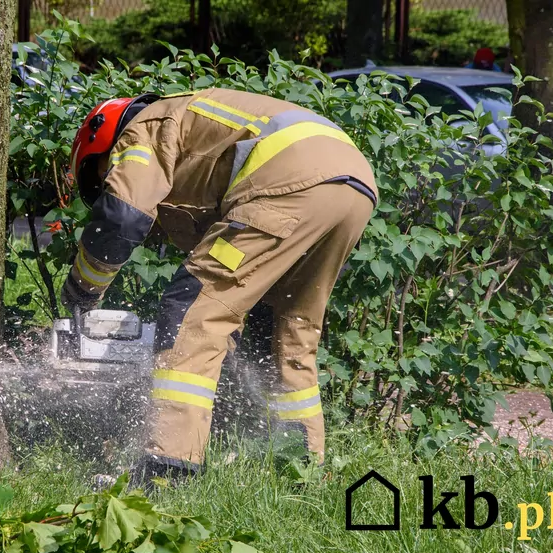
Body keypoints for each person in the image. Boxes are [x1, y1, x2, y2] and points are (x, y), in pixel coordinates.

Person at [62, 88, 378, 485]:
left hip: (290, 178)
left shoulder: (143, 126)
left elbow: (123, 217)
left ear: (101, 140)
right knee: (285, 332)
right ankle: (300, 472)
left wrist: (83, 289)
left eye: (104, 174)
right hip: (353, 185)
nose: (110, 180)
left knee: (194, 310)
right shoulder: (197, 124)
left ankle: (167, 471)